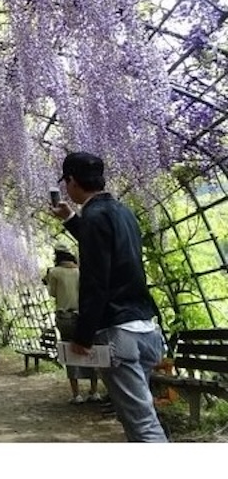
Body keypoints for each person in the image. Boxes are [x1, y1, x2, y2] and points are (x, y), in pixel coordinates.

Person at [51, 151, 167, 442]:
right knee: (140, 420)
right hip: (146, 329)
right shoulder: (122, 211)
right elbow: (110, 249)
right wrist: (70, 219)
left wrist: (83, 335)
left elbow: (96, 281)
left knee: (143, 427)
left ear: (71, 181)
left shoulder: (93, 216)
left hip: (119, 334)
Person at [43, 243, 101, 404]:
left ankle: (76, 394)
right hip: (84, 316)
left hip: (65, 317)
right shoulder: (80, 272)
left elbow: (53, 293)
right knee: (90, 350)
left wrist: (48, 280)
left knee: (70, 353)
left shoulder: (54, 272)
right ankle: (94, 391)